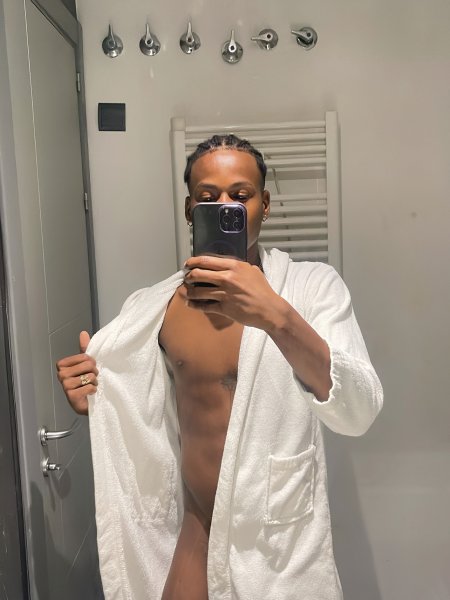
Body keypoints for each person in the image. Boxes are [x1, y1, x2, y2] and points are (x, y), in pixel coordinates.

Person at [56, 135, 383, 600]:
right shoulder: (154, 308)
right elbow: (143, 409)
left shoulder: (311, 289)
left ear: (264, 204)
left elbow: (360, 410)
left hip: (277, 540)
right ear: (190, 209)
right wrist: (96, 397)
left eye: (240, 195)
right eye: (208, 197)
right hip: (196, 527)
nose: (224, 206)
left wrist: (276, 316)